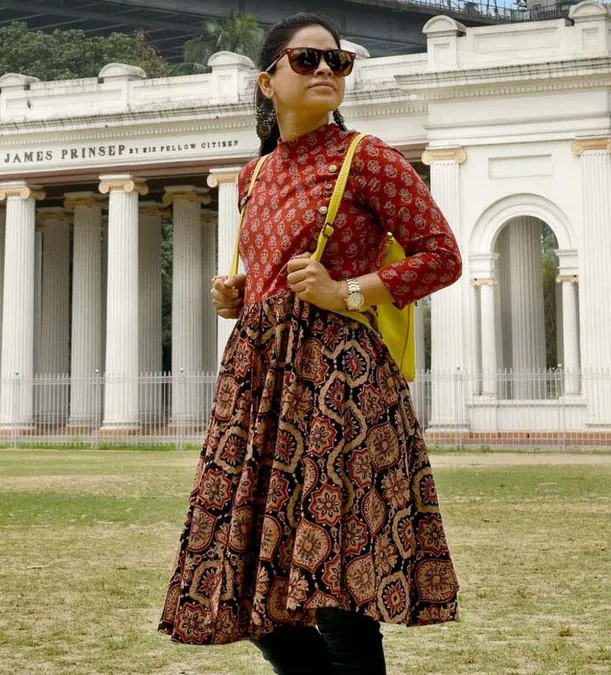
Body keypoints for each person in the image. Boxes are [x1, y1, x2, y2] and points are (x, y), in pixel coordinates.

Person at [159, 12, 461, 673]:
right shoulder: (254, 176)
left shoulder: (368, 159)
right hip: (261, 382)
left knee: (335, 581)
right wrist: (236, 296)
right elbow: (270, 272)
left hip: (340, 384)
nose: (325, 70)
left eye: (338, 62)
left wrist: (346, 291)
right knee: (244, 574)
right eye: (307, 60)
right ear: (267, 81)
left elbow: (442, 256)